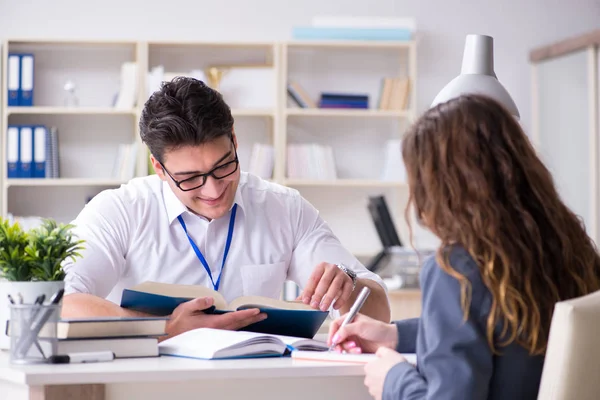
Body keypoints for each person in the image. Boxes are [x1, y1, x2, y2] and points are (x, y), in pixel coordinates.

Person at [61, 77, 390, 340]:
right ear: (158, 168)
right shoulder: (119, 211)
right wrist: (163, 327)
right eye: (190, 178)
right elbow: (58, 303)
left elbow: (379, 313)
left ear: (234, 140)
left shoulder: (284, 207)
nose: (213, 189)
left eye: (223, 167)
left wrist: (348, 287)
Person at [327, 94, 600, 400]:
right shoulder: (573, 250)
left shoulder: (457, 269)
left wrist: (393, 379)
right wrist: (395, 335)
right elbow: (499, 335)